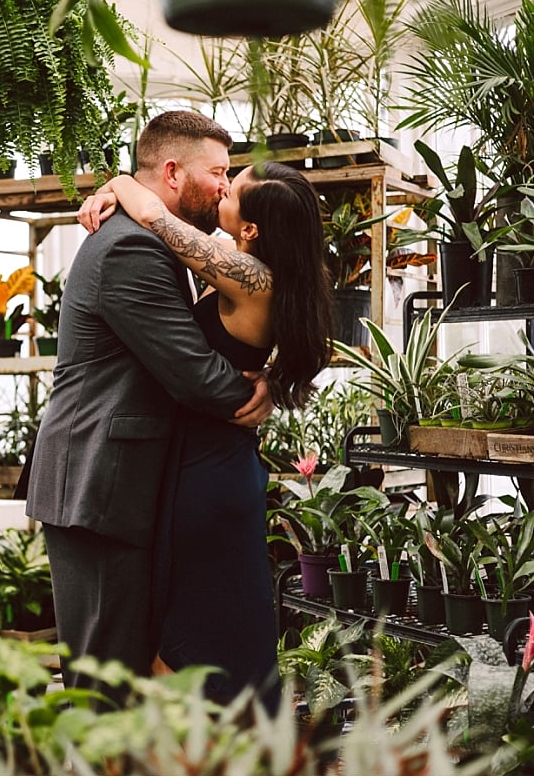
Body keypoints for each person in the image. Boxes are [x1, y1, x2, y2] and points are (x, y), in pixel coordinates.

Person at [23, 111, 275, 708]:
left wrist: (122, 186)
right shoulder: (130, 249)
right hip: (99, 483)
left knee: (128, 670)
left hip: (124, 482)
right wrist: (250, 394)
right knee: (103, 676)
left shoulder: (156, 236)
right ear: (170, 172)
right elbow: (190, 372)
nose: (223, 184)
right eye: (216, 172)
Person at [77, 161, 334, 711]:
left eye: (232, 190)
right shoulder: (268, 276)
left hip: (208, 483)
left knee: (186, 659)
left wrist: (118, 183)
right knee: (204, 642)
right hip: (212, 470)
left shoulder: (249, 276)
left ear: (252, 230)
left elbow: (150, 211)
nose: (222, 188)